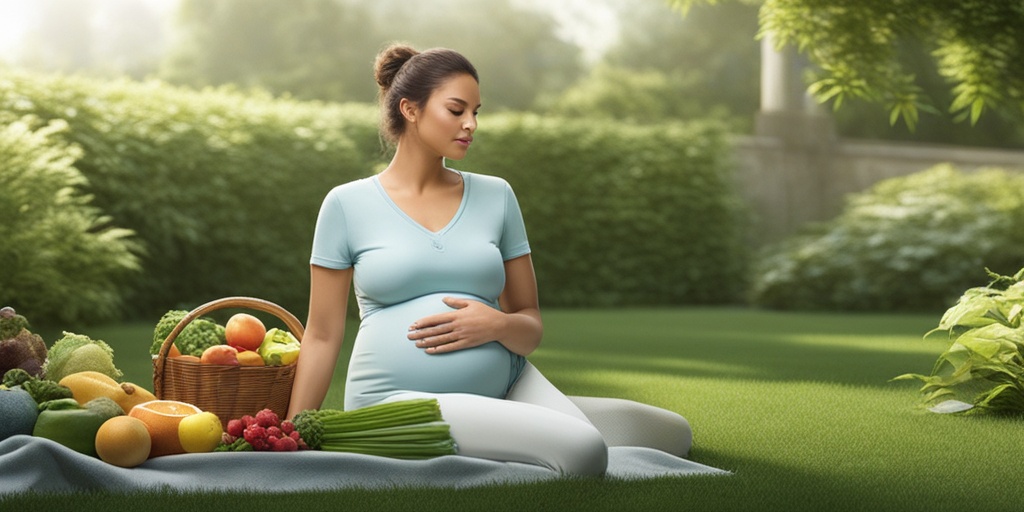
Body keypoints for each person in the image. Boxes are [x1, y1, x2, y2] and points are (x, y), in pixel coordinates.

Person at [286, 44, 692, 476]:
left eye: (476, 111)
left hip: (509, 380)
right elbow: (324, 335)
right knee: (584, 452)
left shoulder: (496, 195)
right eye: (457, 110)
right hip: (397, 398)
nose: (471, 124)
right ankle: (536, 430)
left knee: (673, 433)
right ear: (410, 109)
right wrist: (292, 429)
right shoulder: (347, 204)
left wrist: (496, 324)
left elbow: (529, 323)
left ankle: (516, 425)